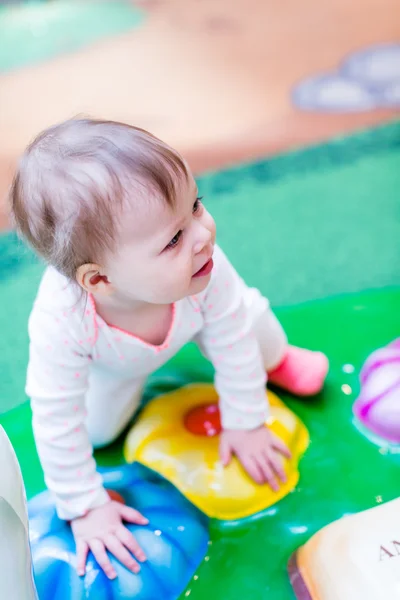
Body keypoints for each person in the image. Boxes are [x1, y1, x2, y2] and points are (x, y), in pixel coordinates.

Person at [10, 119, 328, 580]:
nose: (203, 235)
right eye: (174, 239)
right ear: (99, 280)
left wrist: (246, 420)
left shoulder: (205, 268)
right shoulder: (62, 322)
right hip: (115, 366)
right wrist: (82, 505)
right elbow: (55, 415)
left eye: (196, 206)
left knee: (255, 330)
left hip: (203, 320)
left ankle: (278, 361)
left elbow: (232, 335)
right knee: (97, 432)